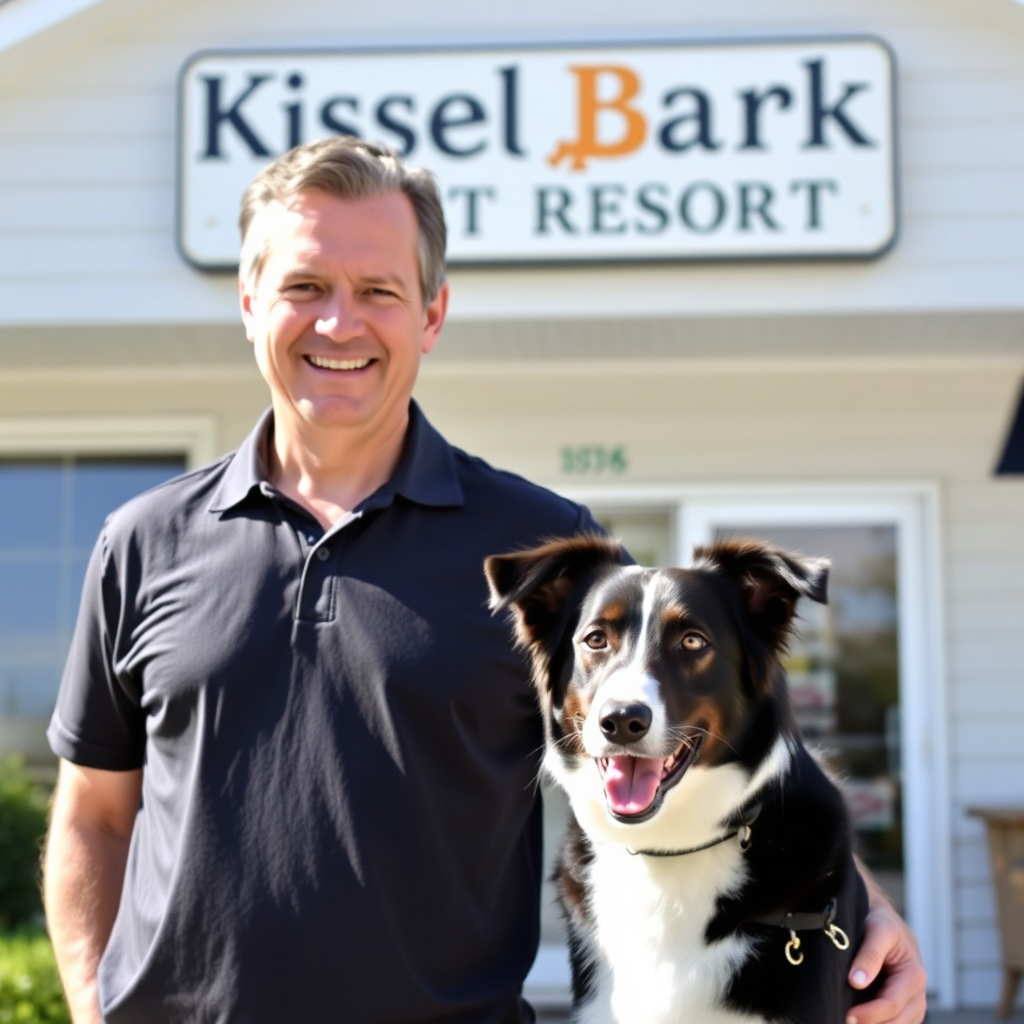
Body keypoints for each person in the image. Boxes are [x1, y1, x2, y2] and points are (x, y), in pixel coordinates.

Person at [43, 136, 927, 1024]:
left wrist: (865, 911)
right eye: (304, 286)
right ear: (250, 303)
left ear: (431, 315)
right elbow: (96, 816)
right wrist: (91, 1008)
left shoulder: (545, 553)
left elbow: (732, 750)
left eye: (379, 291)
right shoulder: (143, 542)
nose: (339, 323)